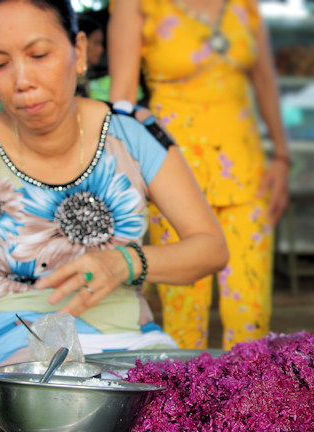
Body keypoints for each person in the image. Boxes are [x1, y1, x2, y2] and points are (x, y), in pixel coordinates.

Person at [0, 0, 228, 369]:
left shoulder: (133, 134)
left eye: (39, 54)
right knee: (57, 395)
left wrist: (125, 262)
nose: (22, 80)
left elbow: (210, 248)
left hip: (128, 343)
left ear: (77, 52)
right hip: (9, 354)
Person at [108, 0, 290, 350]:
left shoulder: (244, 5)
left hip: (247, 171)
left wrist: (282, 155)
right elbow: (123, 101)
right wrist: (126, 180)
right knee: (184, 309)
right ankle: (191, 399)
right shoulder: (136, 4)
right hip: (171, 175)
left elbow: (265, 80)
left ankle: (251, 400)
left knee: (250, 310)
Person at [76, 14, 105, 97]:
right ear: (81, 44)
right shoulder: (73, 82)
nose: (101, 49)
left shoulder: (82, 79)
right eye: (96, 43)